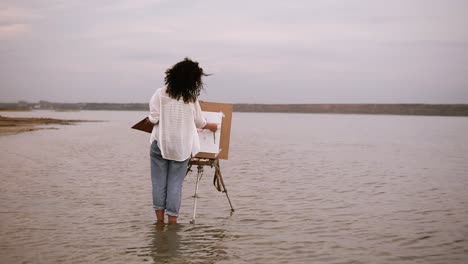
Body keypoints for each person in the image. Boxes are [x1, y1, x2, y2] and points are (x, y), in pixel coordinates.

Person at [147, 58, 217, 224]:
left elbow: (153, 119)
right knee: (175, 185)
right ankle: (172, 222)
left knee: (158, 183)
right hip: (181, 147)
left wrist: (153, 119)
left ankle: (159, 222)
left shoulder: (160, 93)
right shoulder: (191, 98)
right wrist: (212, 125)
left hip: (160, 144)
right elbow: (200, 122)